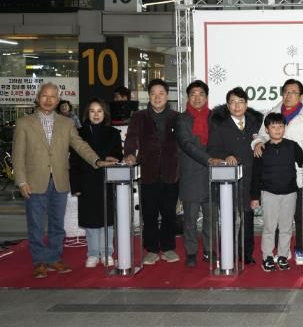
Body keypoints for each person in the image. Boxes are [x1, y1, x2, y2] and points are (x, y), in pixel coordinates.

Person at [12, 82, 116, 279]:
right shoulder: (24, 123)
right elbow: (18, 155)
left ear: (58, 100)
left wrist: (97, 160)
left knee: (57, 224)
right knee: (36, 225)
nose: (48, 100)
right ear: (38, 98)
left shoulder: (67, 123)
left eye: (53, 97)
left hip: (60, 181)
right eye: (45, 96)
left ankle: (54, 258)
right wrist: (21, 181)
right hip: (34, 182)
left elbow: (79, 145)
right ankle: (39, 261)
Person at [251, 79, 303, 265]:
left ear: (301, 96)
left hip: (297, 177)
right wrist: (258, 143)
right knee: (273, 222)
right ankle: (278, 252)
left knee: (299, 217)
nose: (289, 95)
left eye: (294, 92)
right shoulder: (271, 112)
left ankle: (300, 249)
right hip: (271, 180)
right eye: (286, 91)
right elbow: (260, 135)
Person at [124, 79, 180, 265]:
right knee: (149, 213)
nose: (157, 97)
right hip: (148, 171)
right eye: (153, 94)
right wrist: (130, 154)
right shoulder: (139, 117)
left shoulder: (177, 117)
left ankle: (168, 247)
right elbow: (131, 138)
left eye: (161, 93)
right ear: (149, 96)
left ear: (167, 96)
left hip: (171, 172)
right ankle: (152, 249)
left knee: (169, 213)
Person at [209, 87, 264, 265]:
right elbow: (213, 149)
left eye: (240, 102)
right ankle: (228, 252)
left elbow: (263, 141)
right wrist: (226, 156)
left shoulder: (256, 124)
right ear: (227, 105)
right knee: (229, 218)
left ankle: (246, 253)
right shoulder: (220, 125)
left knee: (248, 218)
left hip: (250, 178)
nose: (237, 106)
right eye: (232, 102)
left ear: (246, 105)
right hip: (229, 180)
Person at [70, 98, 122, 268]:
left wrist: (114, 158)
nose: (96, 114)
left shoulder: (113, 133)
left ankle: (107, 253)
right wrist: (76, 185)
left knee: (108, 220)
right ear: (87, 114)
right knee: (91, 221)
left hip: (107, 181)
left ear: (105, 113)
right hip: (87, 182)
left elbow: (118, 154)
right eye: (92, 111)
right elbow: (74, 162)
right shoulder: (78, 133)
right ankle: (92, 254)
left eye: (100, 111)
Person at [175, 80, 217, 267]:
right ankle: (191, 252)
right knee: (190, 219)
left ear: (206, 97)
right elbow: (187, 145)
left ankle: (209, 250)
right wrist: (209, 159)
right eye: (193, 94)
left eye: (201, 94)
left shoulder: (215, 117)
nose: (197, 98)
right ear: (188, 97)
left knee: (211, 218)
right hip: (191, 173)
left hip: (213, 173)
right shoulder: (182, 119)